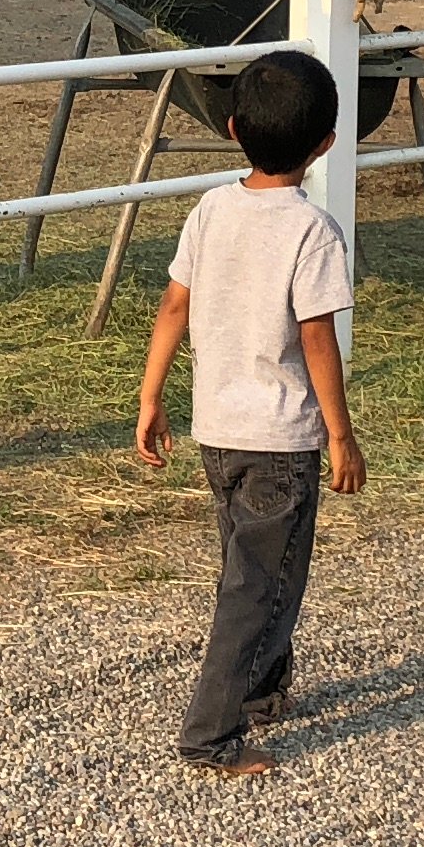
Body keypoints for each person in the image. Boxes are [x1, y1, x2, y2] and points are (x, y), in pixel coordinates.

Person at [133, 46, 363, 779]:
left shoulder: (210, 210)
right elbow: (317, 337)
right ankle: (211, 735)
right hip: (280, 439)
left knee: (252, 569)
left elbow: (175, 304)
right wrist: (340, 433)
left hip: (217, 434)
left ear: (232, 129)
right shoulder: (312, 232)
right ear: (326, 144)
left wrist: (150, 395)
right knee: (260, 584)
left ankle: (264, 689)